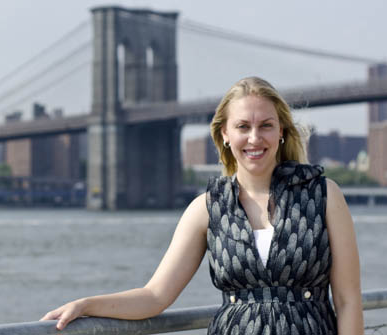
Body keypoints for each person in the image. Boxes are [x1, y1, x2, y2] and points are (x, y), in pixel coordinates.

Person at [41, 77, 363, 334]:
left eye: (266, 125)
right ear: (224, 134)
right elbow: (155, 296)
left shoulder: (323, 194)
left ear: (281, 132)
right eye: (242, 127)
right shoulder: (207, 208)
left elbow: (348, 301)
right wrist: (85, 305)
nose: (255, 138)